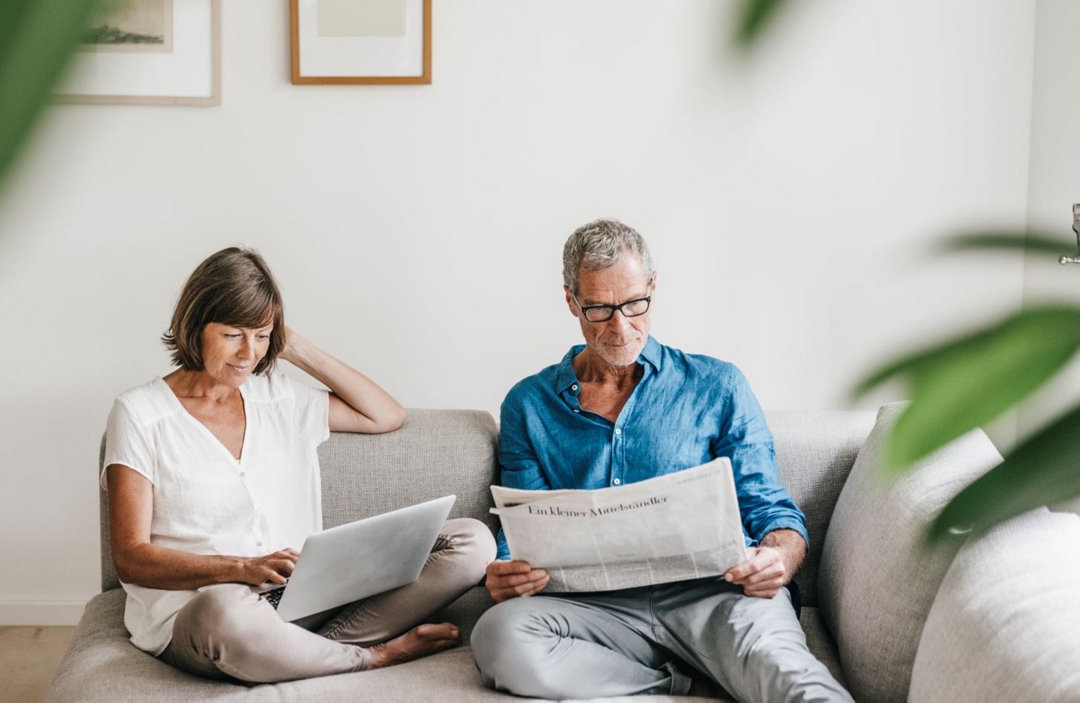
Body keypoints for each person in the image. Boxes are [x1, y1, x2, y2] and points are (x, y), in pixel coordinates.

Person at [470, 220, 851, 702]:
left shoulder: (718, 384)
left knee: (794, 682)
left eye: (633, 304)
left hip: (717, 597)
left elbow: (771, 507)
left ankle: (718, 670)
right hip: (594, 611)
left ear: (652, 287)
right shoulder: (528, 404)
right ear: (571, 301)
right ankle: (683, 684)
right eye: (599, 309)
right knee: (498, 635)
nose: (620, 327)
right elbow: (521, 524)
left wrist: (779, 556)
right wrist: (506, 569)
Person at [104, 247, 495, 683]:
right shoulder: (140, 413)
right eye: (233, 334)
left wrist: (297, 347)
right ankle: (372, 657)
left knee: (471, 541)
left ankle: (299, 653)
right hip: (206, 612)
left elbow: (385, 415)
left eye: (262, 335)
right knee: (224, 611)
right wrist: (239, 568)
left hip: (305, 596)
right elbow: (131, 558)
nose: (247, 354)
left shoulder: (277, 396)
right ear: (195, 327)